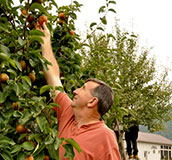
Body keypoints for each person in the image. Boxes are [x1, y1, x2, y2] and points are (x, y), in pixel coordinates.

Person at [36, 22, 121, 160]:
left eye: (82, 89)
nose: (75, 91)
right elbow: (53, 78)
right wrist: (45, 41)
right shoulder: (68, 113)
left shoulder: (105, 137)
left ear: (92, 101)